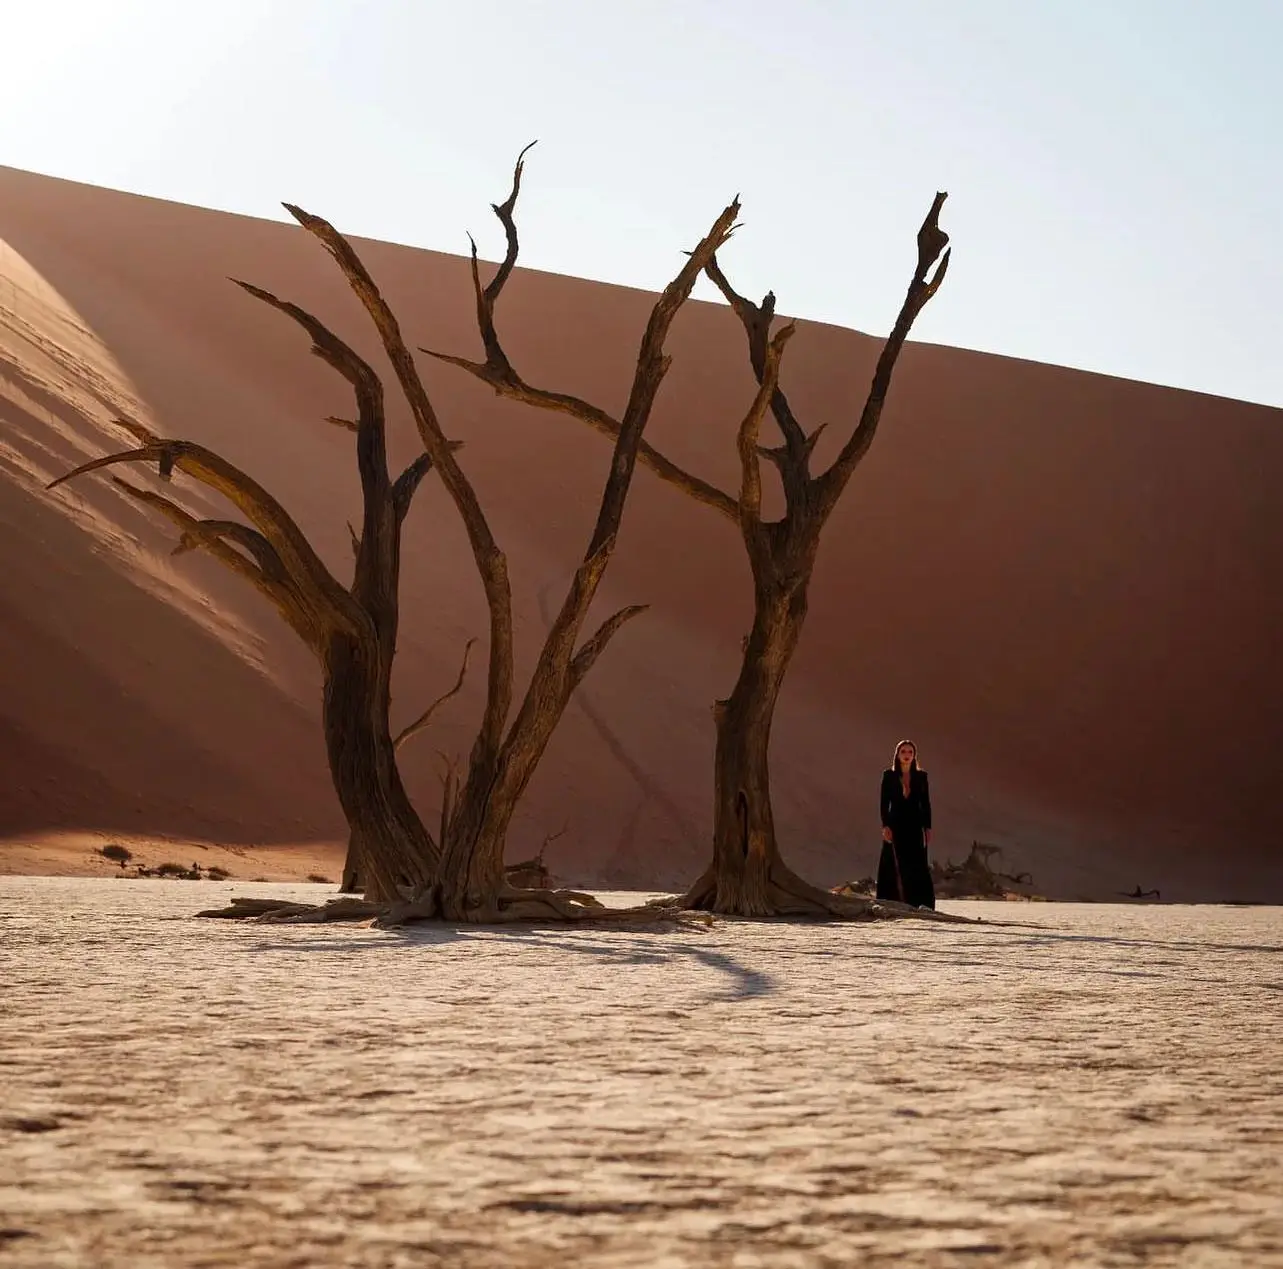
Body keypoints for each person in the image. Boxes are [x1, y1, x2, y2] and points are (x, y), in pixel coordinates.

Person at [877, 739, 936, 909]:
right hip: (895, 824)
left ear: (914, 755)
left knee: (917, 863)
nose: (907, 755)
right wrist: (885, 826)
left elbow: (926, 803)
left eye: (910, 752)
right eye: (903, 752)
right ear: (897, 754)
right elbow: (883, 803)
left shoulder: (921, 776)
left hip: (915, 825)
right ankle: (889, 902)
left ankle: (920, 903)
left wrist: (928, 827)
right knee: (892, 862)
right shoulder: (889, 775)